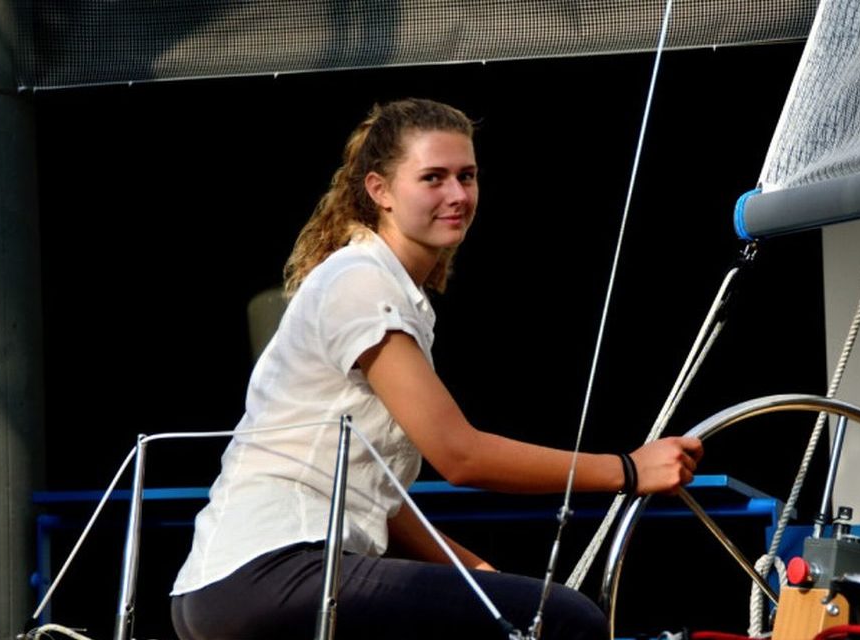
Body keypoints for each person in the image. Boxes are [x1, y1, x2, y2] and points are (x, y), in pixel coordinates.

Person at [169, 98, 703, 640]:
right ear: (380, 191)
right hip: (275, 570)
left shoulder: (384, 288)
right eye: (433, 178)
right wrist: (628, 470)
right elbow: (459, 455)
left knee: (522, 611)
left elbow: (382, 499)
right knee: (568, 620)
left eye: (466, 176)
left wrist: (474, 572)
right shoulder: (362, 283)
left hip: (225, 588)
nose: (457, 195)